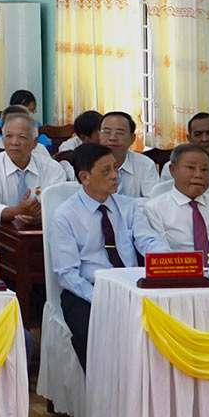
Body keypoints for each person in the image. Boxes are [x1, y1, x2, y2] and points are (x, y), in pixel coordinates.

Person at [49, 143, 171, 367]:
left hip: (131, 286)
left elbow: (148, 241)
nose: (115, 176)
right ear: (85, 177)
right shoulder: (65, 216)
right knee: (93, 339)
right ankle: (102, 397)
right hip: (86, 292)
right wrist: (101, 298)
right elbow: (68, 275)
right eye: (106, 171)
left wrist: (170, 263)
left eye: (115, 168)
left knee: (167, 327)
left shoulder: (128, 206)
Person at [0, 110, 67, 231]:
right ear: (3, 140)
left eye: (22, 137)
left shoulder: (53, 169)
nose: (14, 142)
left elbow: (59, 206)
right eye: (9, 136)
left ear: (35, 143)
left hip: (43, 236)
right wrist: (17, 211)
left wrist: (41, 216)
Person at [142, 144, 209, 253]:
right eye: (191, 168)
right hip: (180, 268)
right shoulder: (155, 209)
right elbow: (161, 256)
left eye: (204, 169)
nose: (198, 175)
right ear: (173, 170)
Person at [98, 112, 157, 198]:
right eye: (107, 132)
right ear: (99, 135)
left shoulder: (145, 165)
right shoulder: (88, 164)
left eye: (119, 133)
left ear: (132, 138)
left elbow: (153, 201)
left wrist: (126, 206)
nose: (112, 138)